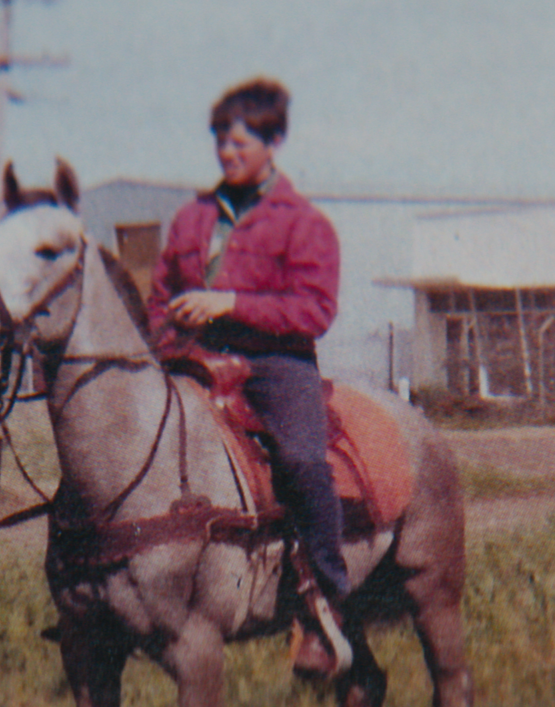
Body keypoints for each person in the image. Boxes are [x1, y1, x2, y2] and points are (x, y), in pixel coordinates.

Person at [146, 77, 351, 674]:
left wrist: (230, 303)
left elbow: (315, 310)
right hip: (194, 356)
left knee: (302, 461)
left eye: (239, 142)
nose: (227, 153)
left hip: (275, 363)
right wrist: (169, 330)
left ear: (273, 142)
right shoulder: (191, 218)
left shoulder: (303, 223)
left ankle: (326, 608)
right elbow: (160, 296)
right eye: (220, 142)